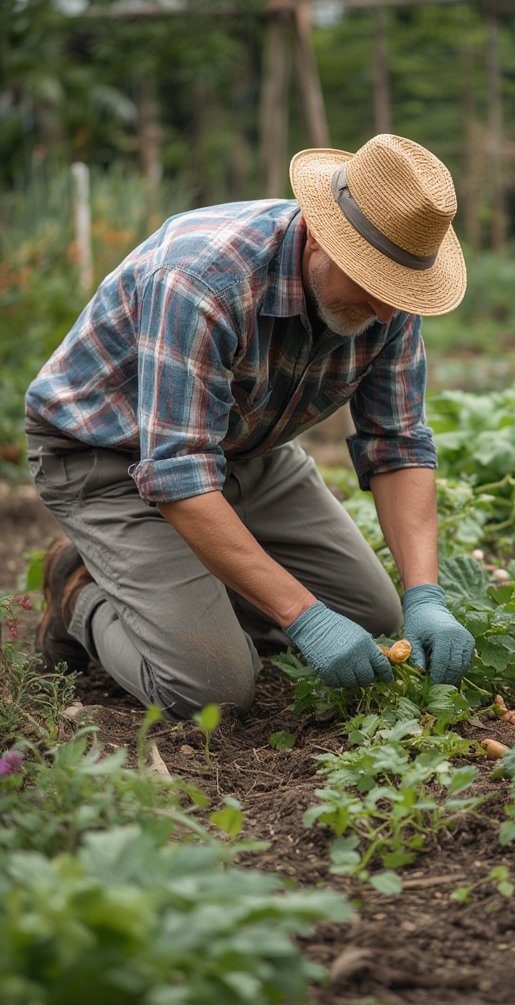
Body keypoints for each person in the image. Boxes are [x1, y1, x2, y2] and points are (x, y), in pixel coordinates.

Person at [25, 133, 475, 720]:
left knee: (375, 618)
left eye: (401, 290)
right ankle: (78, 593)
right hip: (110, 460)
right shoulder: (202, 279)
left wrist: (426, 595)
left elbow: (397, 445)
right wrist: (303, 616)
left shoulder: (387, 303)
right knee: (211, 689)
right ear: (320, 236)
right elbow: (178, 474)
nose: (389, 312)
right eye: (375, 284)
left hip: (249, 447)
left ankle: (191, 600)